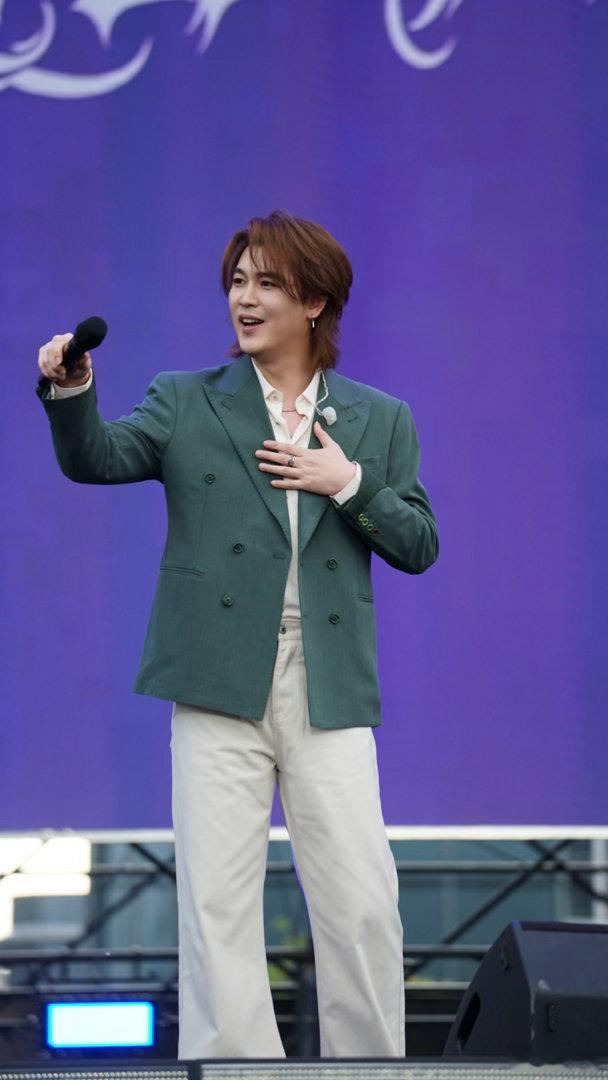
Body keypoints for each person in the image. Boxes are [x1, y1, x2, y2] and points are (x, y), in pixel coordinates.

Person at [37, 210, 438, 1060]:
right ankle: (235, 1073)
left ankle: (369, 1073)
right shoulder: (187, 399)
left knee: (363, 902)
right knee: (216, 902)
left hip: (328, 682)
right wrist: (72, 392)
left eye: (267, 284)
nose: (244, 300)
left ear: (315, 302)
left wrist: (348, 482)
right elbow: (97, 457)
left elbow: (418, 544)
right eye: (237, 282)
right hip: (217, 679)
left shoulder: (379, 418)